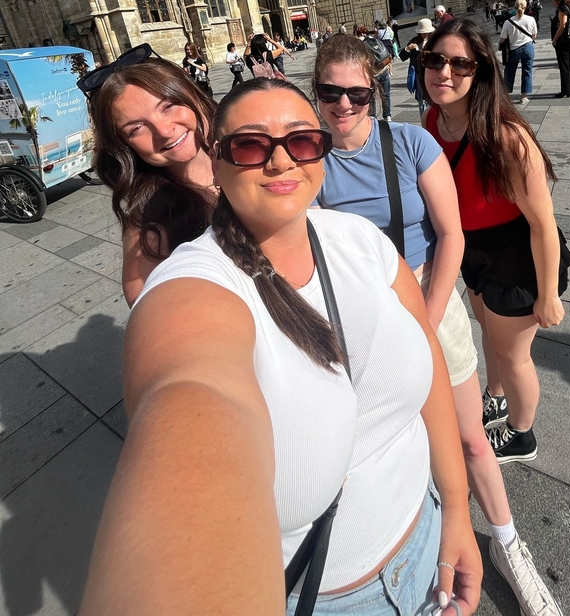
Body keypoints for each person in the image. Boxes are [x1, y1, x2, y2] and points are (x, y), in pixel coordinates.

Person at [79, 78, 483, 616]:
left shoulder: (359, 240)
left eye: (302, 141)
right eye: (250, 145)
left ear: (322, 153)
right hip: (331, 596)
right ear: (217, 166)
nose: (280, 161)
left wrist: (456, 508)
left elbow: (427, 361)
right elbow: (190, 389)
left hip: (429, 535)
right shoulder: (194, 284)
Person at [313, 36, 565, 616]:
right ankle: (420, 541)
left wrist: (423, 323)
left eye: (356, 92)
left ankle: (508, 547)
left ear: (373, 89)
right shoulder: (308, 159)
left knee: (471, 437)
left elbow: (451, 235)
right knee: (383, 441)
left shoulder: (409, 140)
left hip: (429, 304)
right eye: (331, 93)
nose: (345, 105)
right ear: (317, 95)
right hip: (352, 320)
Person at [419, 20, 570, 467]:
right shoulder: (432, 119)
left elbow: (543, 224)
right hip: (471, 248)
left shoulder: (506, 137)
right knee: (489, 331)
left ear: (481, 71)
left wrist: (547, 296)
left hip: (517, 252)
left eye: (459, 64)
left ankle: (522, 436)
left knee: (513, 353)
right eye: (434, 59)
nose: (443, 72)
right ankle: (496, 396)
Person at [76, 46, 217, 306]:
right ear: (124, 146)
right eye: (137, 128)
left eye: (169, 106)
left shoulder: (251, 152)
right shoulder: (150, 224)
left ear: (194, 97)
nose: (163, 131)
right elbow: (152, 313)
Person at [498, 0, 536, 107]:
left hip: (513, 50)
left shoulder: (508, 22)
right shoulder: (531, 19)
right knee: (527, 71)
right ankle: (524, 97)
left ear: (514, 7)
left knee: (509, 72)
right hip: (528, 48)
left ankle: (506, 95)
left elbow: (502, 39)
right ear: (526, 7)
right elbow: (534, 36)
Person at [400, 17, 434, 116]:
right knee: (421, 98)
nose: (425, 34)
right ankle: (424, 120)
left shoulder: (433, 41)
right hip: (419, 74)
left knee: (432, 96)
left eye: (427, 32)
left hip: (431, 72)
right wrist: (407, 48)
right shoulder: (414, 41)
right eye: (423, 32)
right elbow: (402, 57)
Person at [550, 0, 570, 97]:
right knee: (569, 64)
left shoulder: (562, 9)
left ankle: (565, 90)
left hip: (564, 41)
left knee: (564, 66)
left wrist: (555, 39)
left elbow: (563, 25)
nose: (553, 3)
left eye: (554, 1)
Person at [363, 25, 393, 120]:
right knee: (385, 94)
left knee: (371, 97)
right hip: (383, 69)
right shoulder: (375, 40)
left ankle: (372, 117)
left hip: (373, 73)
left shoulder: (362, 45)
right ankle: (387, 115)